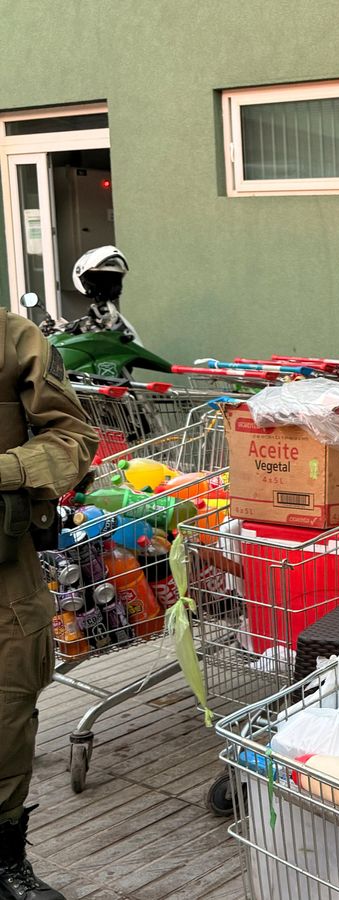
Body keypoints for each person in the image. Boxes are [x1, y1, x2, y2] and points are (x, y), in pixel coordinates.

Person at [0, 302, 98, 900]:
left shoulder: (13, 338)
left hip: (4, 577)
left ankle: (4, 861)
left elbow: (74, 438)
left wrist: (7, 470)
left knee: (7, 718)